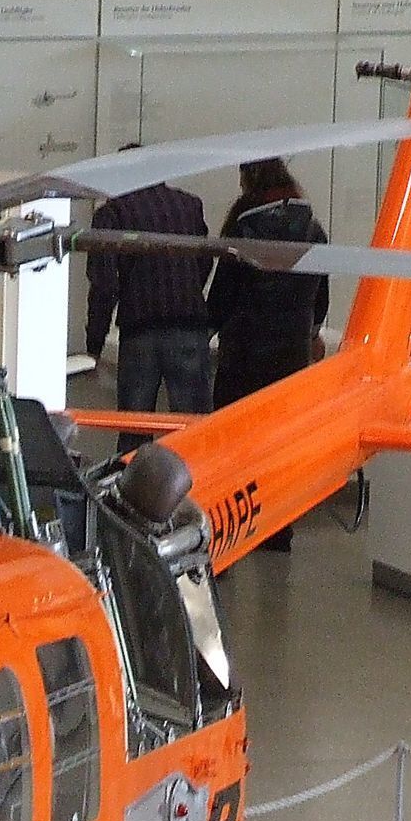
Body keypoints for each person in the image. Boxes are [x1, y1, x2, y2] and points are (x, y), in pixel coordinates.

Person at [206, 159, 331, 553]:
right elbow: (321, 294)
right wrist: (311, 331)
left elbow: (224, 293)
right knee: (280, 443)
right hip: (290, 352)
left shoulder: (243, 225)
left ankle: (234, 525)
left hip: (244, 349)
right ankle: (279, 530)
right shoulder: (312, 229)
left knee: (234, 440)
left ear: (249, 179)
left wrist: (206, 327)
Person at [84, 150, 213, 452]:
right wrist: (189, 291)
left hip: (139, 329)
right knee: (193, 428)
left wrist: (94, 342)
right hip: (188, 324)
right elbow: (205, 259)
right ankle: (202, 490)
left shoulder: (111, 214)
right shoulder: (188, 206)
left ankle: (132, 494)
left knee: (134, 431)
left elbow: (103, 283)